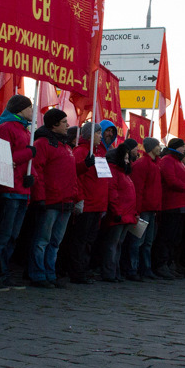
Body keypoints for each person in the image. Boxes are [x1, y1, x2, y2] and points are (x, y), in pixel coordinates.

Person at [0, 94, 36, 291]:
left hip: (22, 189)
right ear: (20, 109)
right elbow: (3, 157)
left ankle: (3, 273)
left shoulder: (24, 130)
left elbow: (28, 164)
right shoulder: (6, 128)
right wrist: (28, 153)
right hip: (9, 188)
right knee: (3, 235)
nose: (32, 111)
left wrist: (32, 179)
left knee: (12, 236)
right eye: (30, 108)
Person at [28, 108, 77, 288]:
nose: (67, 125)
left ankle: (50, 273)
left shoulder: (65, 146)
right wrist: (39, 198)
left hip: (65, 202)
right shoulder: (42, 143)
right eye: (64, 122)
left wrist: (74, 197)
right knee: (42, 240)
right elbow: (37, 170)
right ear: (54, 124)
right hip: (50, 201)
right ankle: (38, 274)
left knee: (55, 242)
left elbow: (71, 175)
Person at [66, 122, 108, 284]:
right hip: (87, 203)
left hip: (97, 203)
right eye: (98, 133)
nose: (101, 136)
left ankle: (83, 269)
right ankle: (76, 272)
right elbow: (75, 175)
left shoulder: (99, 153)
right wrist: (80, 199)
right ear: (90, 135)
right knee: (80, 240)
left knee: (89, 241)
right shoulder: (81, 151)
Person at [153, 138, 185, 279]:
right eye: (183, 147)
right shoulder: (168, 160)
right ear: (176, 147)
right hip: (171, 205)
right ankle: (161, 264)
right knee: (166, 236)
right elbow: (171, 180)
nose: (184, 149)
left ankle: (169, 263)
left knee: (175, 238)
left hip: (180, 205)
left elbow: (182, 179)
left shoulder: (178, 162)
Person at [100, 139, 139, 282]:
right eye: (126, 158)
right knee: (112, 244)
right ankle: (109, 272)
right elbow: (112, 193)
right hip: (119, 215)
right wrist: (117, 212)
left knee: (118, 244)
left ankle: (115, 271)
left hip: (126, 215)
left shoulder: (124, 173)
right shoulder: (114, 171)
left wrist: (133, 214)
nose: (128, 161)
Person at [123, 137, 161, 281]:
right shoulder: (142, 164)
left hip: (151, 209)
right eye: (157, 145)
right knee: (138, 241)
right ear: (151, 148)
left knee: (148, 242)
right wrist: (137, 211)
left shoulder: (155, 164)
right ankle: (133, 269)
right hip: (144, 208)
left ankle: (145, 268)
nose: (159, 148)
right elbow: (138, 190)